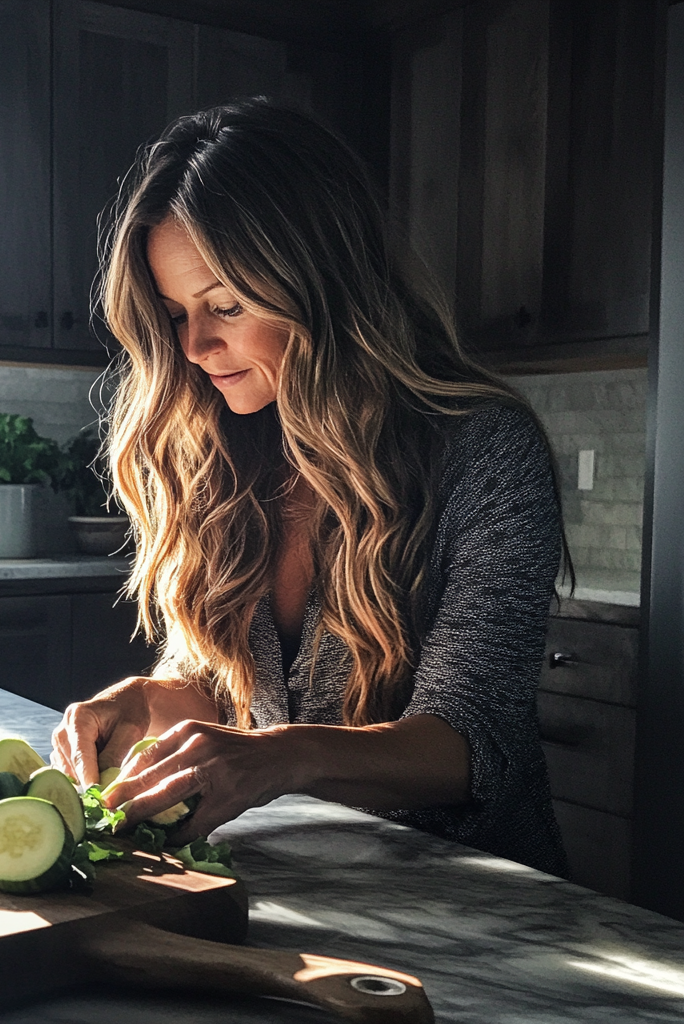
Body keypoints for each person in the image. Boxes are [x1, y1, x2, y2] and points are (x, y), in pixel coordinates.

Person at [50, 100, 572, 876]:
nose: (194, 345)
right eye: (175, 313)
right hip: (303, 879)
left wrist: (278, 758)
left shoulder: (484, 450)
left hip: (476, 898)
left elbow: (470, 741)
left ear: (321, 284)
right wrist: (151, 698)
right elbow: (225, 686)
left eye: (225, 305)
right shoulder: (220, 452)